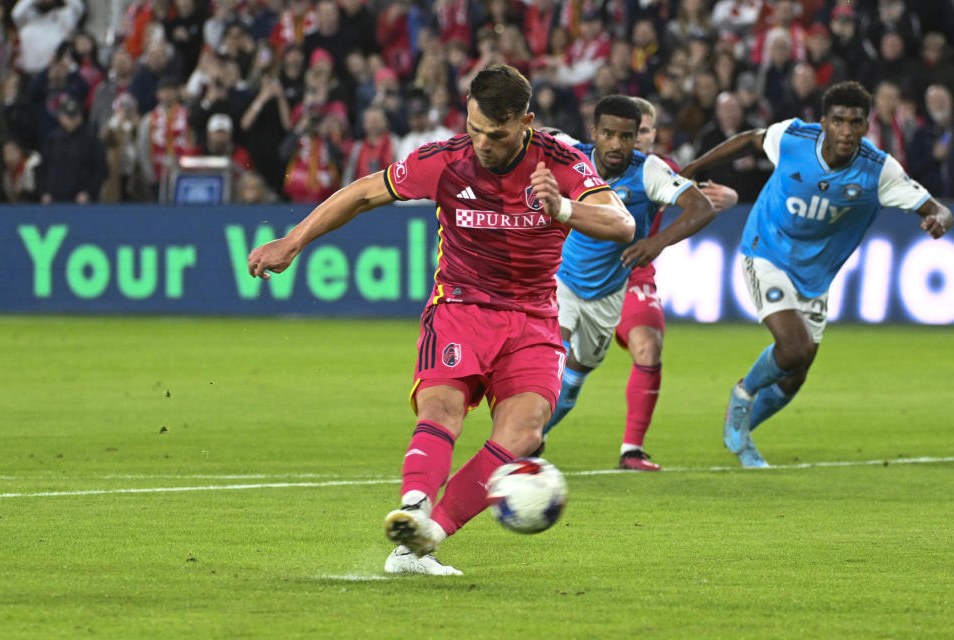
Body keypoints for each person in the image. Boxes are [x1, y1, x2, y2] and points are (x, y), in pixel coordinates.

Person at [246, 65, 635, 575]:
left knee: (524, 432)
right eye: (474, 129)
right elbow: (363, 193)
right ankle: (412, 511)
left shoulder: (559, 163)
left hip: (533, 317)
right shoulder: (446, 160)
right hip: (460, 308)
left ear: (526, 123)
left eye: (496, 135)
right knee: (442, 408)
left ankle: (425, 538)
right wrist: (293, 240)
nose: (482, 144)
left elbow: (621, 224)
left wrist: (561, 207)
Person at [678, 81, 953, 468]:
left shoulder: (879, 171)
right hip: (766, 250)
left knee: (794, 376)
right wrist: (695, 167)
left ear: (865, 125)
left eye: (855, 122)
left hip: (816, 275)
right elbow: (750, 140)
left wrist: (939, 221)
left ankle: (739, 431)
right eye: (838, 121)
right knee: (794, 348)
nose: (846, 130)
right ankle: (743, 395)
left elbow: (936, 208)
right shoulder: (793, 138)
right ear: (823, 122)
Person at [537, 95, 717, 471]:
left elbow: (702, 207)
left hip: (607, 294)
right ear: (594, 133)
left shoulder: (649, 171)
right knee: (550, 357)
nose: (616, 144)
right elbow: (532, 139)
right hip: (560, 280)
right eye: (608, 134)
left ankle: (531, 438)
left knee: (573, 381)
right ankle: (514, 449)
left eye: (625, 136)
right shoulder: (570, 155)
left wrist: (656, 242)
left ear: (637, 137)